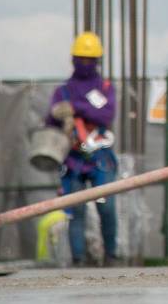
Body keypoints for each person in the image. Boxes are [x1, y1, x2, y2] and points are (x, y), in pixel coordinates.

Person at [46, 31, 118, 267]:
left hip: (100, 157)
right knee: (75, 211)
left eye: (90, 59)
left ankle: (110, 256)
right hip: (73, 159)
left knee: (106, 207)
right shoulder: (62, 91)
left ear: (97, 61)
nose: (85, 63)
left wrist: (76, 107)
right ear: (73, 59)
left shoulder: (105, 88)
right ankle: (78, 260)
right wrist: (57, 115)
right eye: (81, 58)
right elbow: (50, 123)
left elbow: (106, 114)